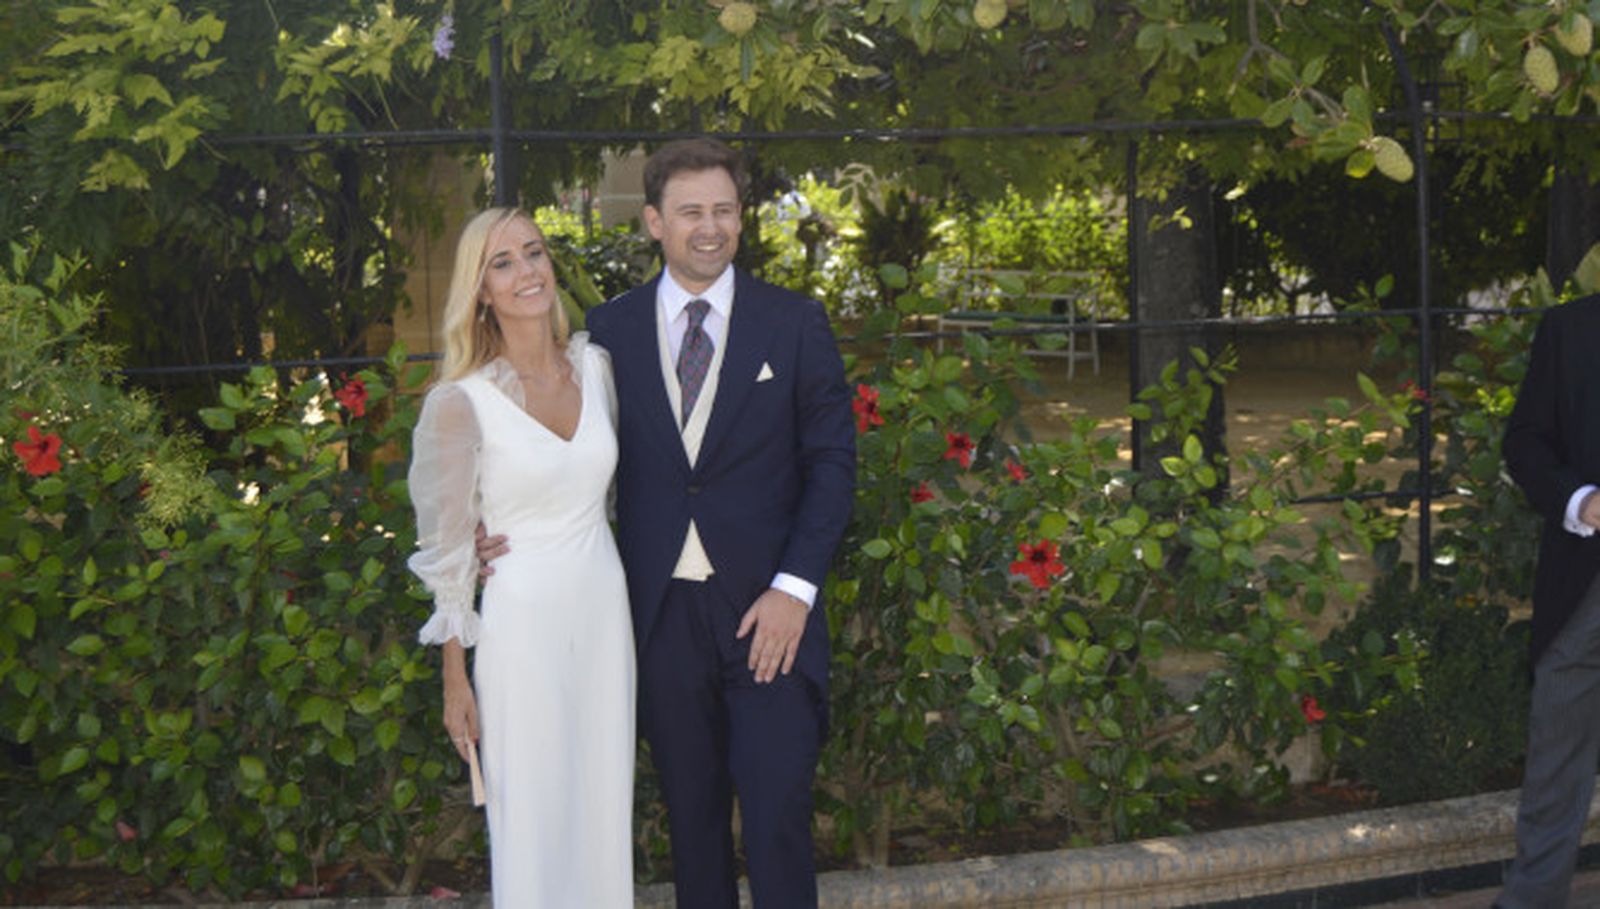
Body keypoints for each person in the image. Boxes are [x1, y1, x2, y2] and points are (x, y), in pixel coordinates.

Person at [480, 138, 856, 907]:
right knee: (693, 830)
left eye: (724, 210)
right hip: (657, 621)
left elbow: (833, 464)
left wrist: (795, 589)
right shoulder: (606, 335)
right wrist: (493, 532)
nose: (709, 227)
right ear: (654, 221)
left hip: (769, 615)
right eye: (690, 212)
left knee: (778, 822)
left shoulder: (794, 323)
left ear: (741, 218)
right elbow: (553, 442)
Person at [407, 207, 635, 908]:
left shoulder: (596, 368)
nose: (526, 272)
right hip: (520, 628)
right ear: (480, 290)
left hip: (604, 615)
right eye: (501, 263)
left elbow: (611, 493)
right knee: (531, 814)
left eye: (533, 252)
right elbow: (448, 558)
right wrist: (455, 680)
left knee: (603, 804)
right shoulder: (461, 402)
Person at [1497, 295, 1600, 908]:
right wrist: (1581, 500)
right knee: (1556, 754)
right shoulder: (1570, 327)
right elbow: (1526, 441)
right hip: (1585, 581)